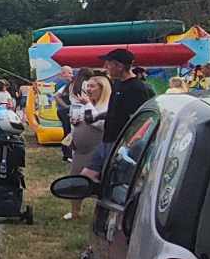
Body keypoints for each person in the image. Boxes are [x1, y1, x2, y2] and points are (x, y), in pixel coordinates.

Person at [84, 48, 155, 178]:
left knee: (111, 180)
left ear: (120, 66)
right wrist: (97, 116)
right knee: (86, 176)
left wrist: (128, 145)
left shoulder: (137, 88)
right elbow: (115, 111)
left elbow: (143, 120)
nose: (105, 67)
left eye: (109, 64)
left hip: (120, 143)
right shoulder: (117, 84)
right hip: (106, 140)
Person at [64, 74, 109, 218]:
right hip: (80, 150)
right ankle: (75, 211)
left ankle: (102, 212)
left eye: (92, 86)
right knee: (74, 179)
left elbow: (95, 121)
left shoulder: (105, 106)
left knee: (98, 182)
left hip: (96, 150)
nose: (88, 89)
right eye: (87, 86)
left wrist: (87, 104)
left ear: (102, 89)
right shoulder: (87, 104)